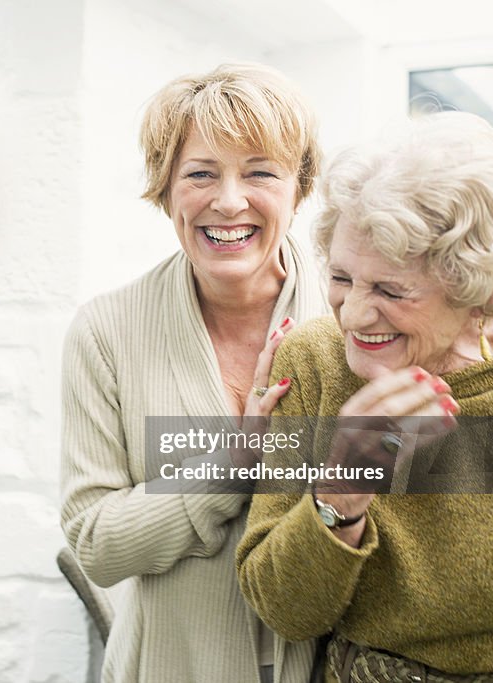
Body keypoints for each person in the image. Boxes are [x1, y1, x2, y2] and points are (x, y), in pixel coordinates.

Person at [236, 111, 493, 681]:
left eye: (390, 289)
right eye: (341, 278)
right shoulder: (313, 363)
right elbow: (283, 609)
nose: (355, 314)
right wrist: (341, 491)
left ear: (476, 292)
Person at [61, 63, 324, 683]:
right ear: (165, 188)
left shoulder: (351, 319)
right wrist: (233, 466)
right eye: (200, 174)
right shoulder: (108, 330)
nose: (228, 200)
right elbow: (94, 543)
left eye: (260, 172)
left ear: (298, 187)